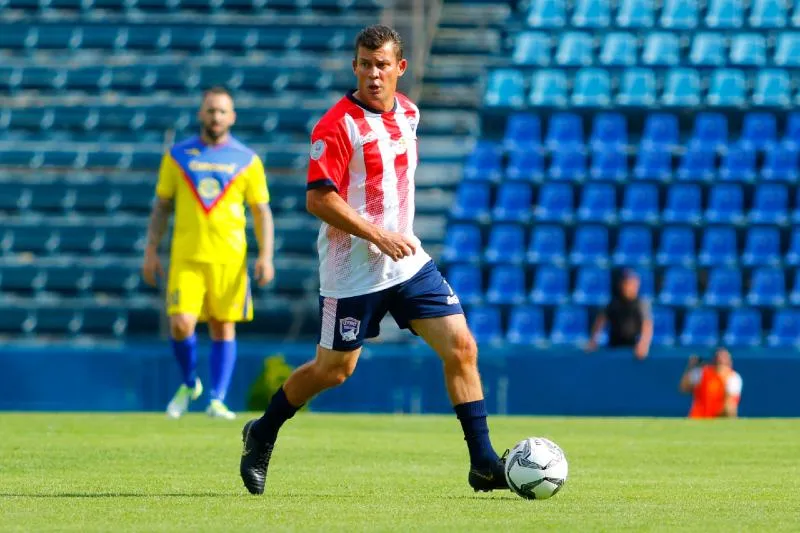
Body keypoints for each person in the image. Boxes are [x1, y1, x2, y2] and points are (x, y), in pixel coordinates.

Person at [239, 24, 509, 495]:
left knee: (462, 347)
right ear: (355, 66)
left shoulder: (409, 113)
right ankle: (262, 431)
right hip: (352, 273)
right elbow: (319, 200)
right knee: (334, 371)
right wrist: (377, 235)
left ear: (400, 68)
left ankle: (484, 462)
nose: (373, 74)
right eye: (365, 64)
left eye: (382, 64)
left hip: (406, 263)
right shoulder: (336, 125)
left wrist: (393, 238)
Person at [142, 87, 275, 420]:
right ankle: (190, 383)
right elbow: (162, 206)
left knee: (223, 326)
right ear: (201, 114)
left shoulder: (247, 160)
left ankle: (217, 398)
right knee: (180, 324)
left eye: (222, 111)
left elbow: (261, 211)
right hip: (186, 257)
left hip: (229, 258)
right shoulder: (178, 156)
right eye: (210, 110)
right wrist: (151, 251)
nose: (216, 117)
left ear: (232, 117)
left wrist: (266, 255)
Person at [586, 269, 653, 360]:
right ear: (622, 285)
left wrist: (643, 345)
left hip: (633, 346)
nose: (631, 287)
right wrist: (593, 340)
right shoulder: (613, 303)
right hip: (614, 346)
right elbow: (601, 321)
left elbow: (647, 325)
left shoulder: (641, 304)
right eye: (628, 284)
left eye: (634, 285)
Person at [679, 347, 742, 418]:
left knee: (730, 407)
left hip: (719, 418)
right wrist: (691, 367)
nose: (721, 362)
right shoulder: (702, 373)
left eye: (724, 360)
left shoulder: (733, 377)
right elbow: (683, 388)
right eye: (719, 360)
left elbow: (729, 404)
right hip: (698, 417)